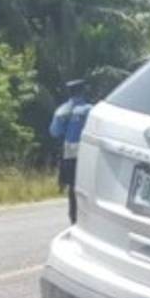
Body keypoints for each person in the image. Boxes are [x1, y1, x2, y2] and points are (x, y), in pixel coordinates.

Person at [49, 79, 93, 224]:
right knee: (89, 187)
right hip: (87, 155)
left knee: (72, 189)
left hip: (68, 155)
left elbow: (54, 132)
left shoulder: (61, 111)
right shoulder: (89, 110)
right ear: (83, 91)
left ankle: (73, 219)